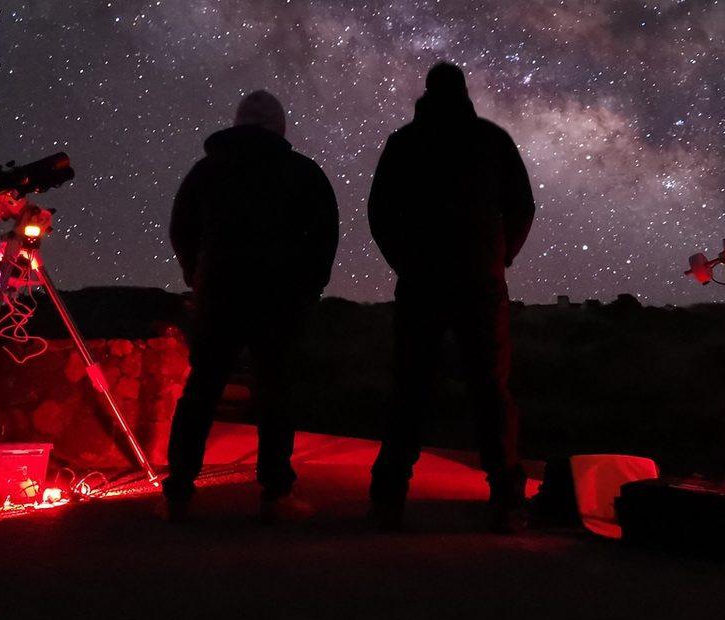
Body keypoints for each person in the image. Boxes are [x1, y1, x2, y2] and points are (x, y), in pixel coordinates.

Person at [367, 62, 535, 532]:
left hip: (421, 281)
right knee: (491, 391)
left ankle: (388, 499)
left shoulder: (405, 142)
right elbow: (522, 205)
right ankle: (507, 501)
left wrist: (406, 261)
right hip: (480, 283)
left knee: (410, 389)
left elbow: (380, 211)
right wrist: (501, 257)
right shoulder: (491, 139)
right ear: (464, 93)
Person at [163, 90, 338, 522]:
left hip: (218, 291)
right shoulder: (302, 172)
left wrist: (195, 274)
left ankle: (178, 493)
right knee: (276, 392)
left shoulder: (207, 170)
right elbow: (322, 238)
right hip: (279, 298)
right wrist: (308, 288)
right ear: (280, 127)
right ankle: (276, 493)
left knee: (201, 390)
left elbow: (182, 228)